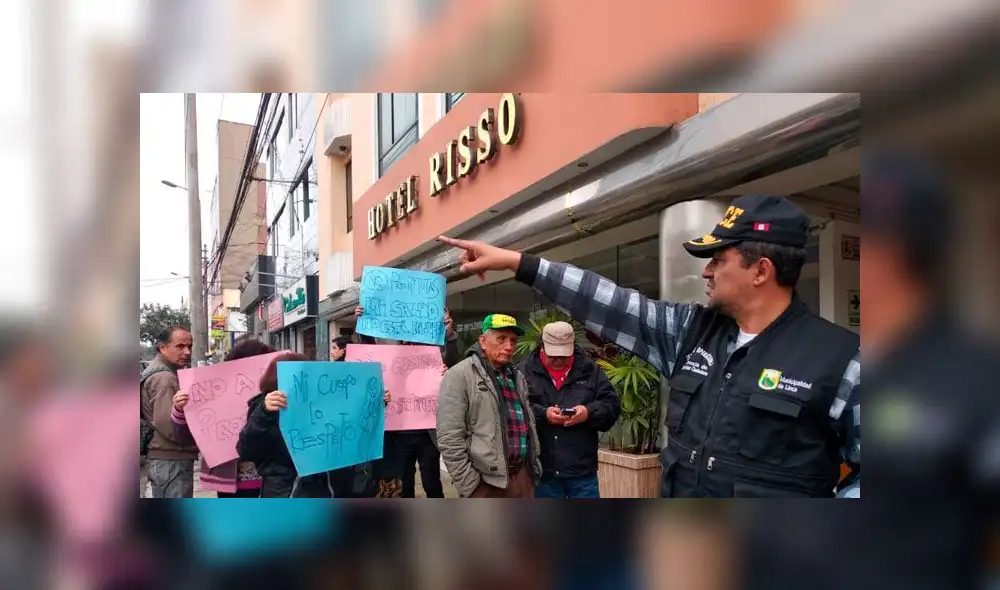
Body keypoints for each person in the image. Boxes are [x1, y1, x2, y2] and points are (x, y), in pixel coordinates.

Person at [440, 193, 861, 498]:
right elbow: (610, 302)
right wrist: (519, 264)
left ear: (761, 271)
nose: (707, 271)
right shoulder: (689, 331)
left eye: (719, 259)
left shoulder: (843, 360)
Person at [437, 313, 542, 498]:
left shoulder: (517, 377)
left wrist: (531, 472)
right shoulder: (459, 375)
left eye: (513, 340)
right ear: (483, 341)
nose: (509, 346)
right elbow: (449, 438)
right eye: (501, 339)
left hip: (521, 479)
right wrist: (471, 485)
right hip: (484, 484)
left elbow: (528, 425)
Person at [521, 321, 620, 498]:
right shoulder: (524, 371)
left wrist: (588, 413)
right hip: (541, 472)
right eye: (553, 355)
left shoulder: (591, 371)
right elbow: (514, 410)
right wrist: (543, 414)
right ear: (542, 347)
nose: (558, 360)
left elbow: (611, 406)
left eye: (564, 355)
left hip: (582, 474)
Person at [170, 337, 275, 498]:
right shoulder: (212, 389)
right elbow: (184, 437)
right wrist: (179, 409)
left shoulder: (274, 392)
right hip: (230, 479)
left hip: (270, 478)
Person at [236, 351, 308, 498]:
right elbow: (246, 450)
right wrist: (263, 413)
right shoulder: (266, 407)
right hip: (281, 489)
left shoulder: (316, 405)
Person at [140, 326, 198, 498]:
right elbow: (169, 426)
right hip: (171, 461)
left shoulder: (159, 372)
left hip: (166, 460)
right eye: (180, 346)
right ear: (163, 348)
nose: (187, 352)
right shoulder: (165, 378)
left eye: (190, 346)